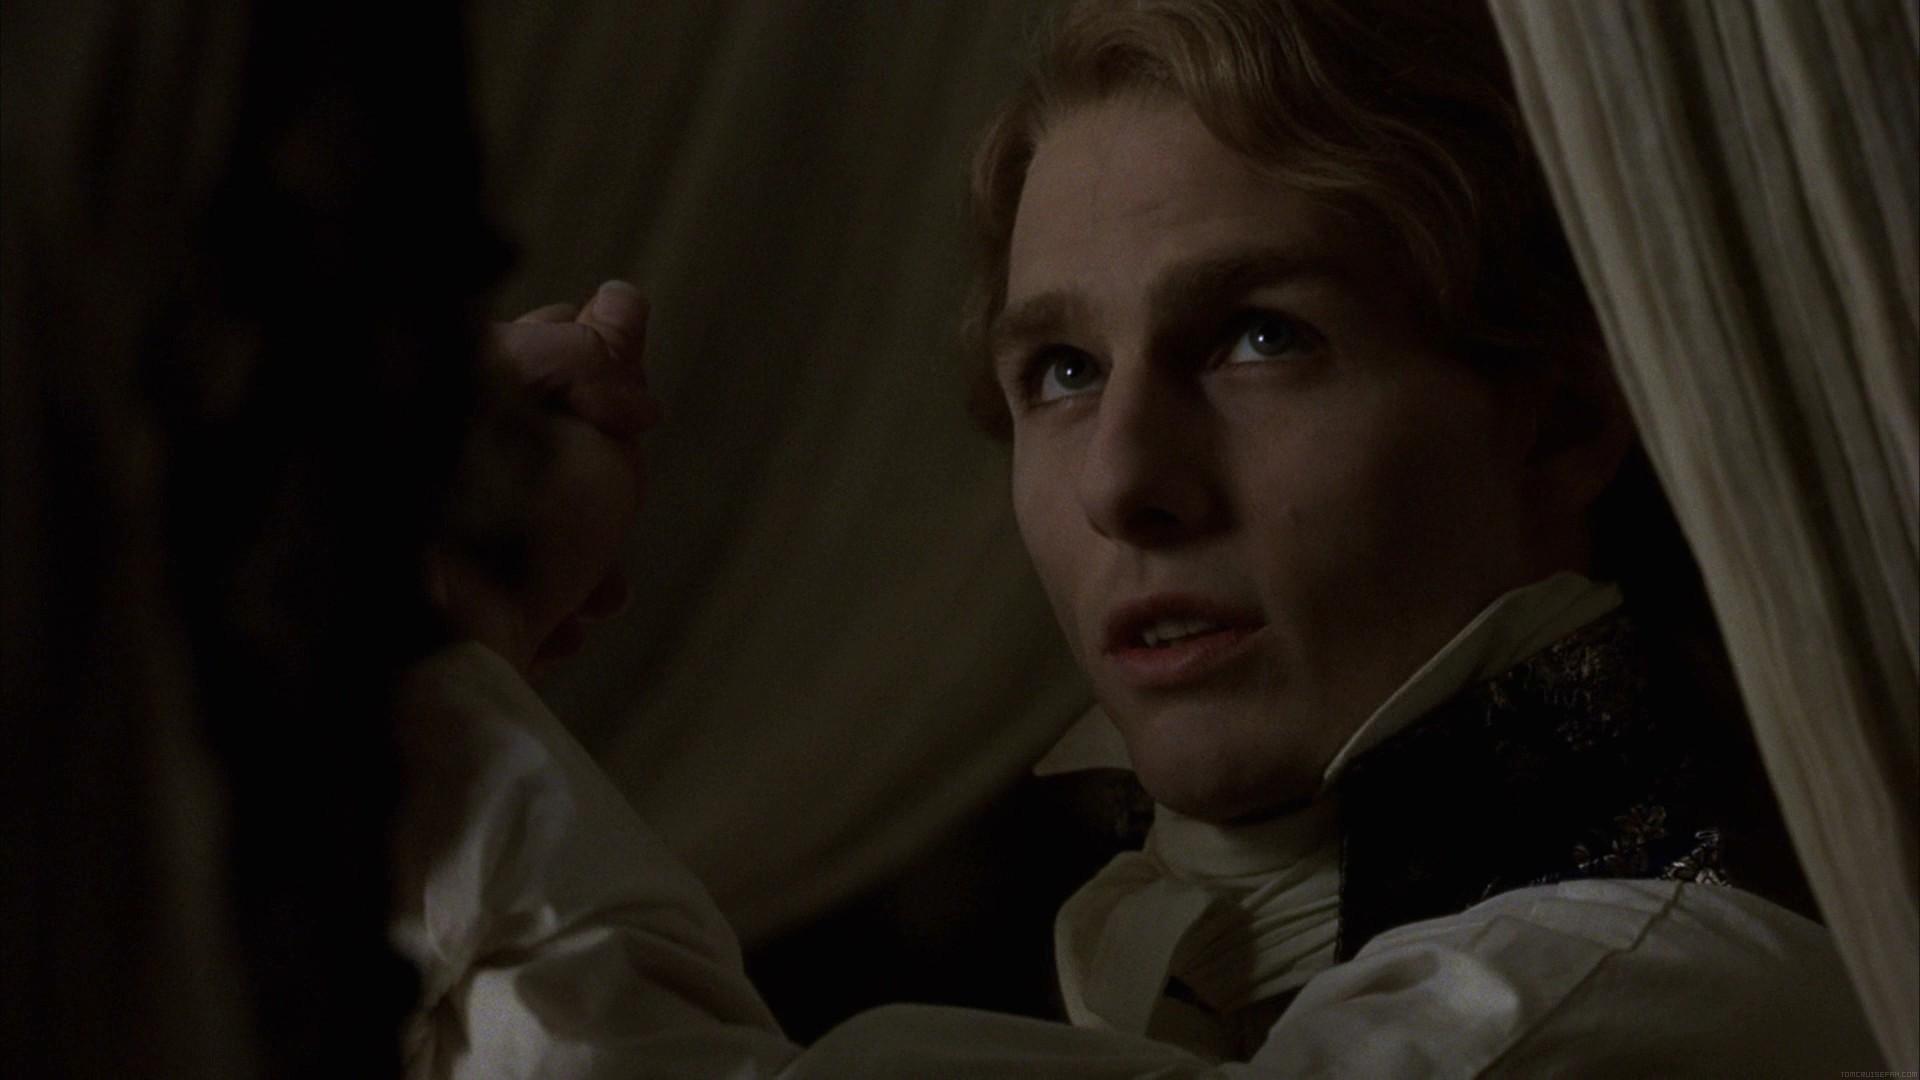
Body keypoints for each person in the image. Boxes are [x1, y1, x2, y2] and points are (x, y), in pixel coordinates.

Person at [395, 0, 1884, 1075]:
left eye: (1259, 336)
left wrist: (406, 644)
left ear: (1558, 426)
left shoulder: (1641, 1003)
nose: (1122, 480)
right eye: (1061, 370)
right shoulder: (1184, 986)